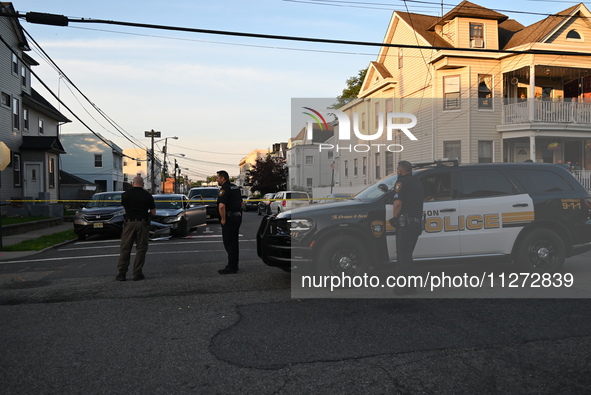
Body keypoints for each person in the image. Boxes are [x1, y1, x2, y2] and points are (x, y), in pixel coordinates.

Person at [390, 160, 424, 295]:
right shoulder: (418, 182)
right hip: (416, 224)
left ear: (400, 170)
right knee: (405, 255)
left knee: (403, 256)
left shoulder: (401, 182)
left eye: (397, 169)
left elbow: (397, 203)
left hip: (406, 224)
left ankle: (409, 286)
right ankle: (401, 287)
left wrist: (394, 217)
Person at [116, 176, 155, 281]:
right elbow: (153, 212)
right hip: (142, 223)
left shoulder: (125, 195)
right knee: (141, 249)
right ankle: (137, 273)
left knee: (125, 248)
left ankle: (122, 273)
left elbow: (124, 207)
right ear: (142, 184)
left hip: (129, 223)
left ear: (132, 183)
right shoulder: (148, 196)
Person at [216, 170, 243, 274]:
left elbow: (222, 206)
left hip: (229, 218)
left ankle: (231, 267)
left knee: (229, 243)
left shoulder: (225, 189)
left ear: (223, 178)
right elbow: (240, 202)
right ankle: (234, 265)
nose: (217, 180)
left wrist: (223, 219)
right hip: (237, 217)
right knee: (234, 243)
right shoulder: (235, 187)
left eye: (218, 178)